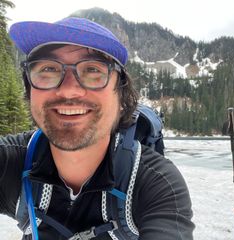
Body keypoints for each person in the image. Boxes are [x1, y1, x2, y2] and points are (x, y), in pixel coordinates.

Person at [0, 17, 194, 239]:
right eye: (49, 69)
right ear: (30, 90)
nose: (69, 91)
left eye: (93, 70)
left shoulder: (155, 184)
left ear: (121, 96)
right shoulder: (10, 162)